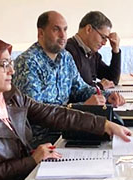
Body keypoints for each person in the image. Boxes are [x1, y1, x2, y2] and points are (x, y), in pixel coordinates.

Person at [0, 36, 132, 180]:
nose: (12, 71)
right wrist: (31, 160)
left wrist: (103, 124)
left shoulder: (7, 94)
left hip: (23, 179)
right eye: (3, 65)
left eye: (10, 63)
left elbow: (51, 114)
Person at [13, 11, 125, 145]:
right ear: (41, 33)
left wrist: (107, 96)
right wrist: (82, 108)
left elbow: (80, 88)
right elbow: (35, 114)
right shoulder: (28, 63)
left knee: (117, 140)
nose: (63, 35)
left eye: (65, 30)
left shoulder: (65, 57)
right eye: (56, 30)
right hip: (42, 141)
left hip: (68, 130)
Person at [65, 10, 122, 89]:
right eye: (103, 37)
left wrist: (116, 50)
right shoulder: (68, 52)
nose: (104, 43)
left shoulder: (92, 53)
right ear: (89, 29)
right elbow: (76, 89)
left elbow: (112, 80)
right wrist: (99, 86)